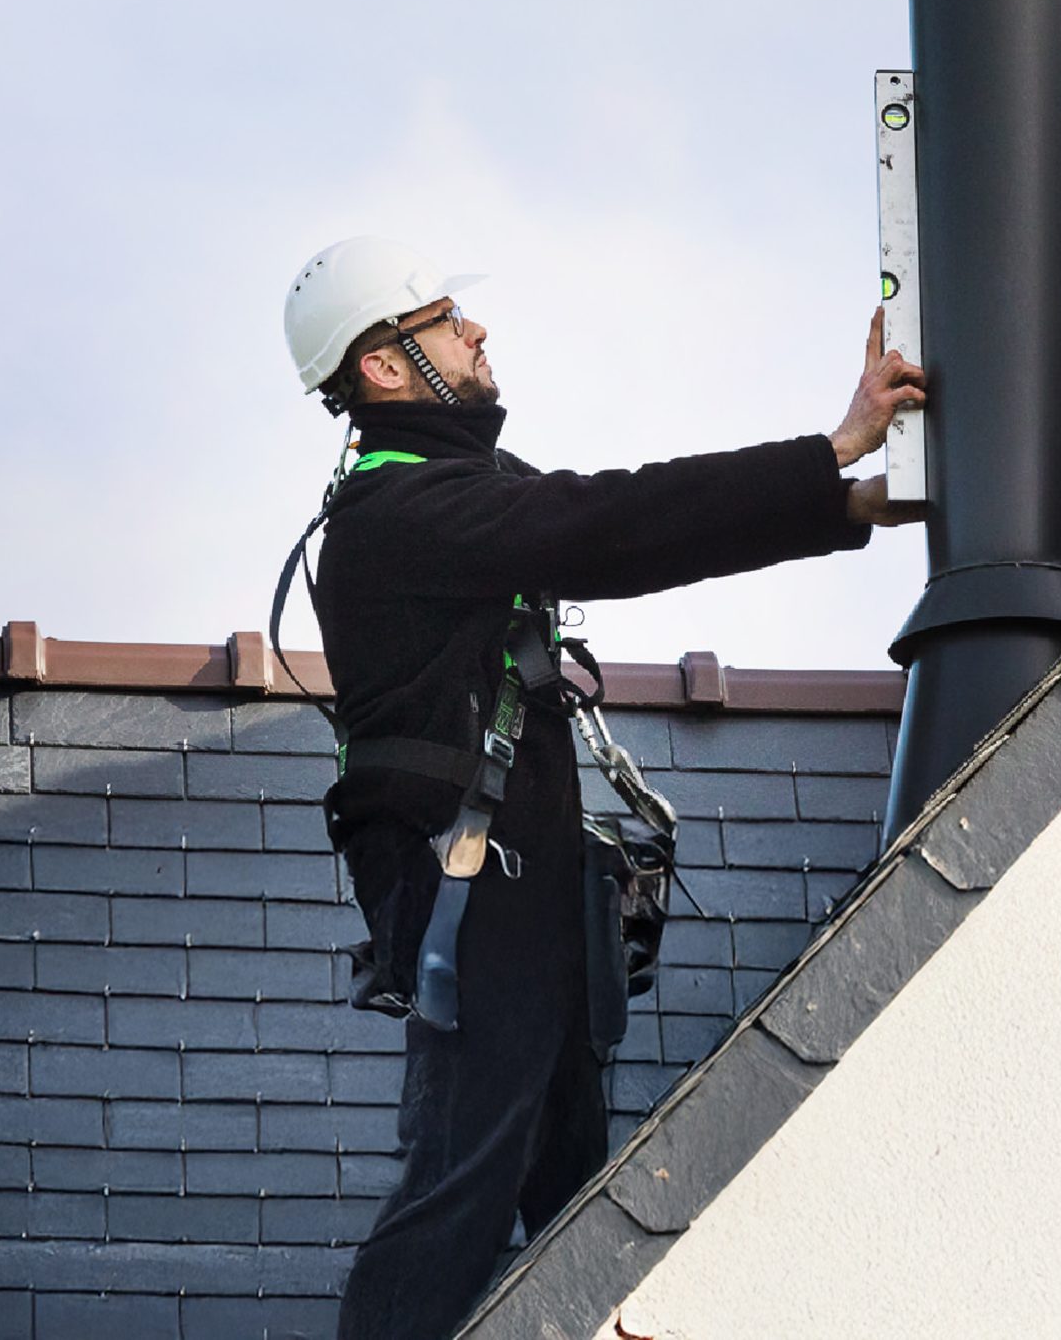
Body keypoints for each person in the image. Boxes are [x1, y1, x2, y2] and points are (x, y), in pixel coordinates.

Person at [279, 236, 925, 1340]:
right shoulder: (401, 515)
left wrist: (846, 504)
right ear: (384, 367)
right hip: (477, 903)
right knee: (460, 1189)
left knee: (580, 1209)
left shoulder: (449, 497)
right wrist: (830, 454)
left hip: (511, 896)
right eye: (440, 320)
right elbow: (603, 525)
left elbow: (627, 520)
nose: (473, 331)